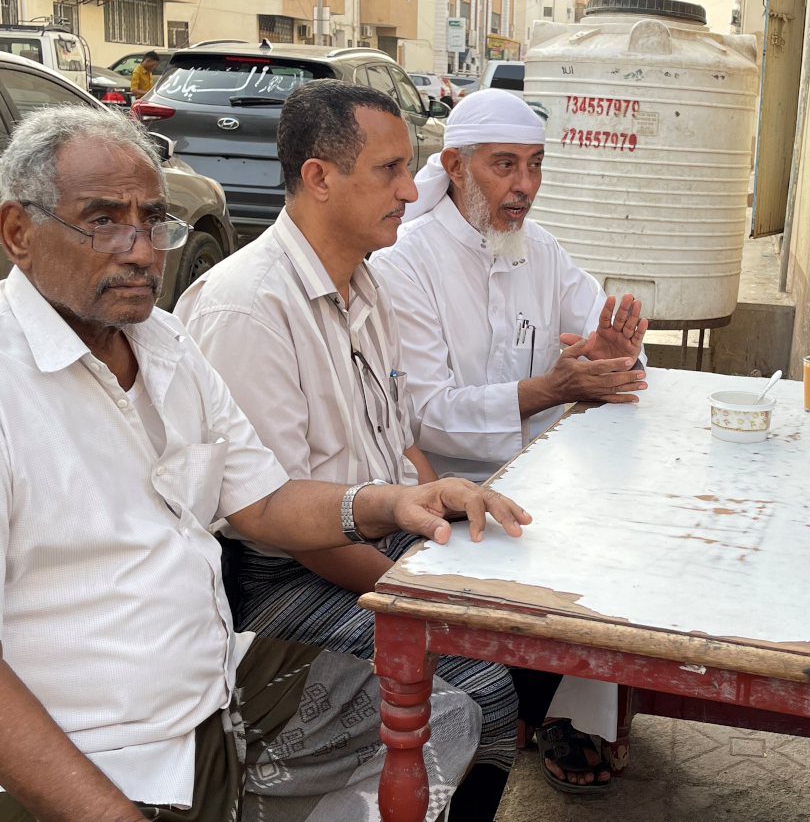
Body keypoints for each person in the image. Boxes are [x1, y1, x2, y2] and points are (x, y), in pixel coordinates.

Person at [0, 104, 532, 822]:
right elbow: (270, 537)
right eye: (102, 219)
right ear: (18, 232)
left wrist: (386, 502)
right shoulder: (27, 381)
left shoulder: (162, 343)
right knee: (476, 671)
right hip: (104, 748)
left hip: (218, 687)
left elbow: (263, 499)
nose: (139, 250)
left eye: (153, 219)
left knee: (453, 710)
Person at [176, 80, 526, 821]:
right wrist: (420, 590)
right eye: (390, 170)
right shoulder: (248, 306)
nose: (410, 189)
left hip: (371, 534)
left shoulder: (366, 285)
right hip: (279, 579)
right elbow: (283, 521)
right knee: (484, 680)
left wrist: (443, 517)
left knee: (524, 605)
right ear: (319, 178)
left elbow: (401, 442)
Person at [372, 88, 648, 793]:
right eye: (504, 166)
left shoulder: (540, 250)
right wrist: (550, 390)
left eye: (534, 165)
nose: (523, 187)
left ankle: (564, 709)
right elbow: (425, 415)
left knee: (619, 526)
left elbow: (605, 345)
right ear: (455, 166)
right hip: (440, 485)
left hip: (539, 472)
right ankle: (533, 711)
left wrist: (613, 353)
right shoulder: (408, 261)